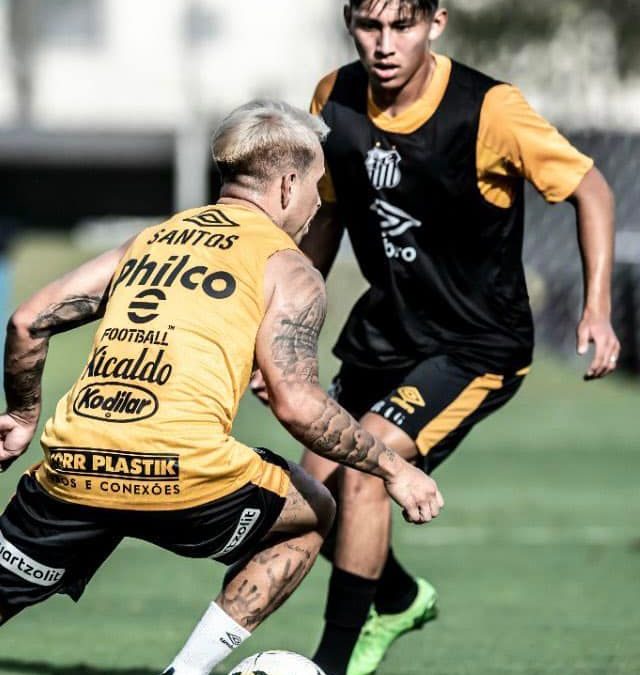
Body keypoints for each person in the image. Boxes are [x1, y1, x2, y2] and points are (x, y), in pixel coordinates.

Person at [0, 100, 444, 675]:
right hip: (184, 474)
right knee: (313, 511)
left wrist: (23, 413)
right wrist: (394, 468)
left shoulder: (152, 238)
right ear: (288, 184)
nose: (316, 203)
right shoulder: (288, 268)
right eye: (317, 185)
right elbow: (298, 404)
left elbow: (28, 321)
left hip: (75, 463)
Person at [273, 2, 620, 674]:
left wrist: (596, 308)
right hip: (386, 331)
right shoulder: (334, 96)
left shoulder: (489, 109)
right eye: (369, 26)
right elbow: (329, 219)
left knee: (368, 468)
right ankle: (397, 596)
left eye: (401, 26)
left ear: (437, 22)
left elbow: (593, 189)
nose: (383, 44)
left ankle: (330, 664)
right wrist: (287, 333)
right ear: (350, 23)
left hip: (473, 344)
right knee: (310, 491)